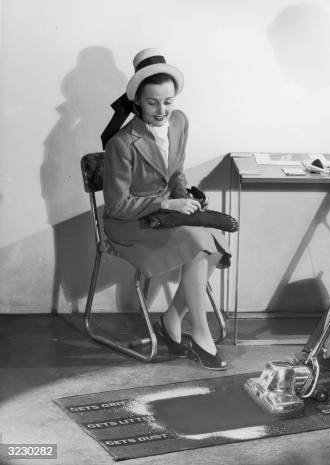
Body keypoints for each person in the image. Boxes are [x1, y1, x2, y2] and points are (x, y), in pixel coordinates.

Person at [102, 49, 231, 370]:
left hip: (165, 216)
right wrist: (166, 203)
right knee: (199, 244)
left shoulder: (179, 123)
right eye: (152, 102)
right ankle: (201, 334)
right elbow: (117, 205)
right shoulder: (121, 143)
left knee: (215, 245)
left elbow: (175, 172)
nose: (162, 110)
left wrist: (184, 201)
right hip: (129, 223)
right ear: (137, 102)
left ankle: (172, 317)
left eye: (168, 101)